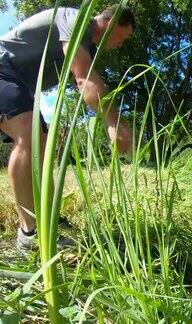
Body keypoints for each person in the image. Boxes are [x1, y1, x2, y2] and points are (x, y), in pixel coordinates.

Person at [0, 5, 135, 251]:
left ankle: (48, 219)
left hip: (19, 85)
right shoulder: (75, 20)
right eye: (122, 37)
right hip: (3, 70)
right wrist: (114, 122)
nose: (120, 44)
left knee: (41, 143)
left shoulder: (88, 46)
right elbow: (84, 80)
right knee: (28, 136)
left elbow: (87, 80)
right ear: (111, 22)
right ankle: (29, 234)